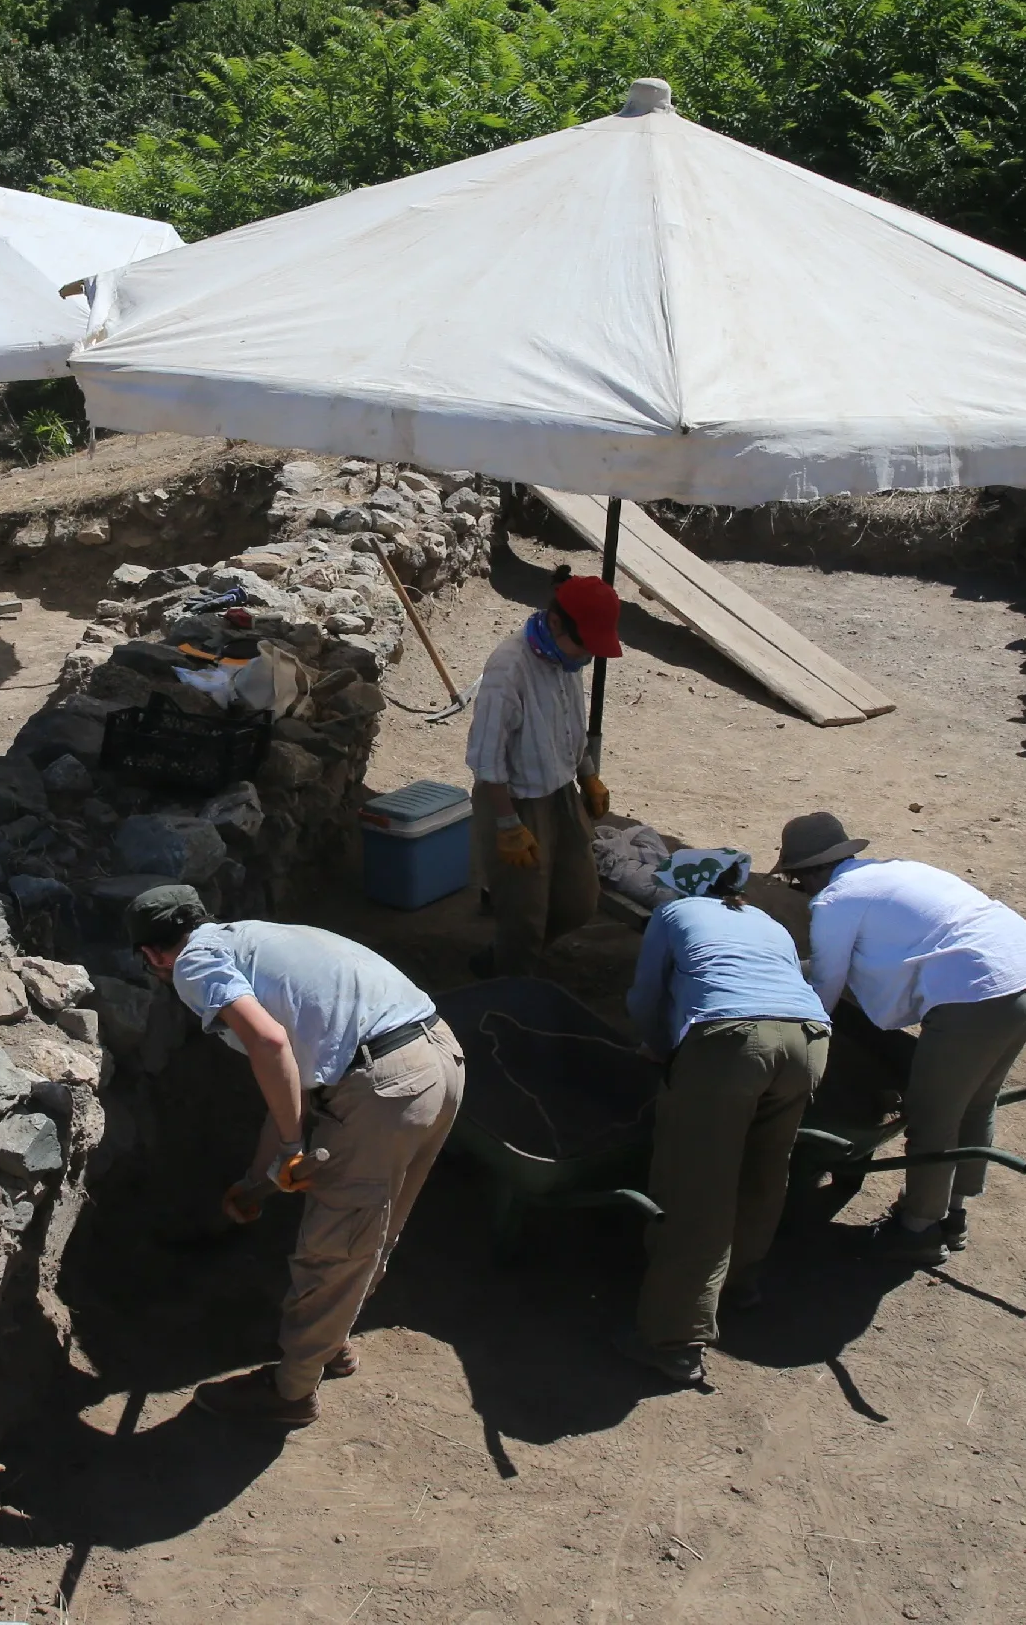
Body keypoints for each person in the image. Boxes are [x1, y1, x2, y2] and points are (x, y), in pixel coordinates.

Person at [131, 885, 466, 1427]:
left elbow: (269, 1046)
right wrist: (258, 1182)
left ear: (152, 956)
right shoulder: (257, 941)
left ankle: (291, 1392)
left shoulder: (191, 961)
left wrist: (291, 1149)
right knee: (372, 1227)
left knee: (335, 1242)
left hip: (382, 1084)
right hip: (437, 1059)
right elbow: (292, 1088)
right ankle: (330, 1342)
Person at [774, 811, 1026, 1266]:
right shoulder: (899, 871)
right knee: (976, 1100)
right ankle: (953, 1213)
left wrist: (796, 1045)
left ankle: (916, 1232)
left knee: (932, 1118)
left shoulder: (835, 900)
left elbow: (825, 990)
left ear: (808, 872)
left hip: (979, 995)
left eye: (796, 880)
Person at [620, 849, 832, 1388]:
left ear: (684, 887)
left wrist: (660, 1049)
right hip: (810, 1039)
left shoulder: (674, 915)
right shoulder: (768, 921)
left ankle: (676, 1339)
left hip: (733, 1042)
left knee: (697, 1186)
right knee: (765, 1168)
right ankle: (740, 1283)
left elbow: (647, 996)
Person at [465, 569, 624, 976]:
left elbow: (572, 724)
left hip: (560, 794)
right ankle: (510, 988)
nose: (586, 656)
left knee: (578, 902)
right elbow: (487, 760)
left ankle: (512, 954)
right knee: (524, 914)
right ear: (555, 622)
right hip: (514, 800)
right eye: (583, 645)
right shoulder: (508, 668)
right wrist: (506, 825)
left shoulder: (564, 659)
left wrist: (587, 774)